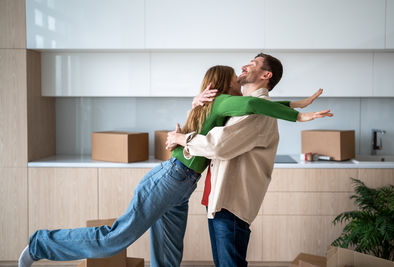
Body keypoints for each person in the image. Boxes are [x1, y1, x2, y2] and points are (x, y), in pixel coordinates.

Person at [19, 63, 331, 267]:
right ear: (226, 85)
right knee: (116, 237)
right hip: (171, 178)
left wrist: (294, 103)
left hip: (180, 185)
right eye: (235, 77)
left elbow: (258, 105)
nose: (240, 77)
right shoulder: (223, 102)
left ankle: (42, 244)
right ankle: (40, 244)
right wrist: (298, 116)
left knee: (168, 259)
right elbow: (252, 104)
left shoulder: (215, 105)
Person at [166, 53, 331, 266]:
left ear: (266, 74)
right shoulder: (244, 105)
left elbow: (217, 145)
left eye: (252, 64)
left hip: (231, 204)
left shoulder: (257, 111)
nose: (243, 66)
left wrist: (180, 139)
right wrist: (195, 105)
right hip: (220, 202)